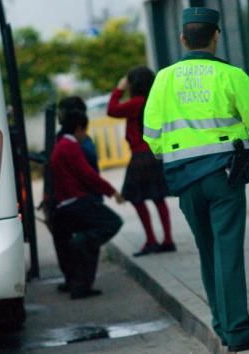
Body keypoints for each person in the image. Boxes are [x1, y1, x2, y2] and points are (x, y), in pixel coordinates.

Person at [143, 7, 249, 352]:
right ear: (216, 36)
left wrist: (171, 153)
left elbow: (151, 134)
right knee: (228, 252)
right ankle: (237, 332)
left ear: (182, 38)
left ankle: (222, 326)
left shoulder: (163, 79)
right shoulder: (230, 75)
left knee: (208, 251)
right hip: (224, 176)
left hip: (184, 178)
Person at [50, 109, 124, 299]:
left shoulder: (59, 145)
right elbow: (87, 174)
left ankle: (79, 284)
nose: (85, 136)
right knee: (111, 224)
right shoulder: (70, 146)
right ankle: (82, 245)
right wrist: (112, 191)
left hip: (64, 205)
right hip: (77, 201)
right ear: (79, 128)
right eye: (84, 131)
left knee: (87, 241)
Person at [107, 66, 175, 257]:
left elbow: (112, 110)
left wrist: (119, 89)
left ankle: (151, 240)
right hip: (155, 154)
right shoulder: (156, 100)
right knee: (158, 197)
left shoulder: (135, 103)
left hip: (139, 155)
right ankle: (168, 240)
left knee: (136, 198)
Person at [45, 96, 101, 293]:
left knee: (78, 242)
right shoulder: (74, 140)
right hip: (75, 199)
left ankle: (79, 282)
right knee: (69, 242)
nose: (58, 115)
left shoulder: (73, 142)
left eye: (61, 110)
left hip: (78, 199)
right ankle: (77, 281)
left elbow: (86, 173)